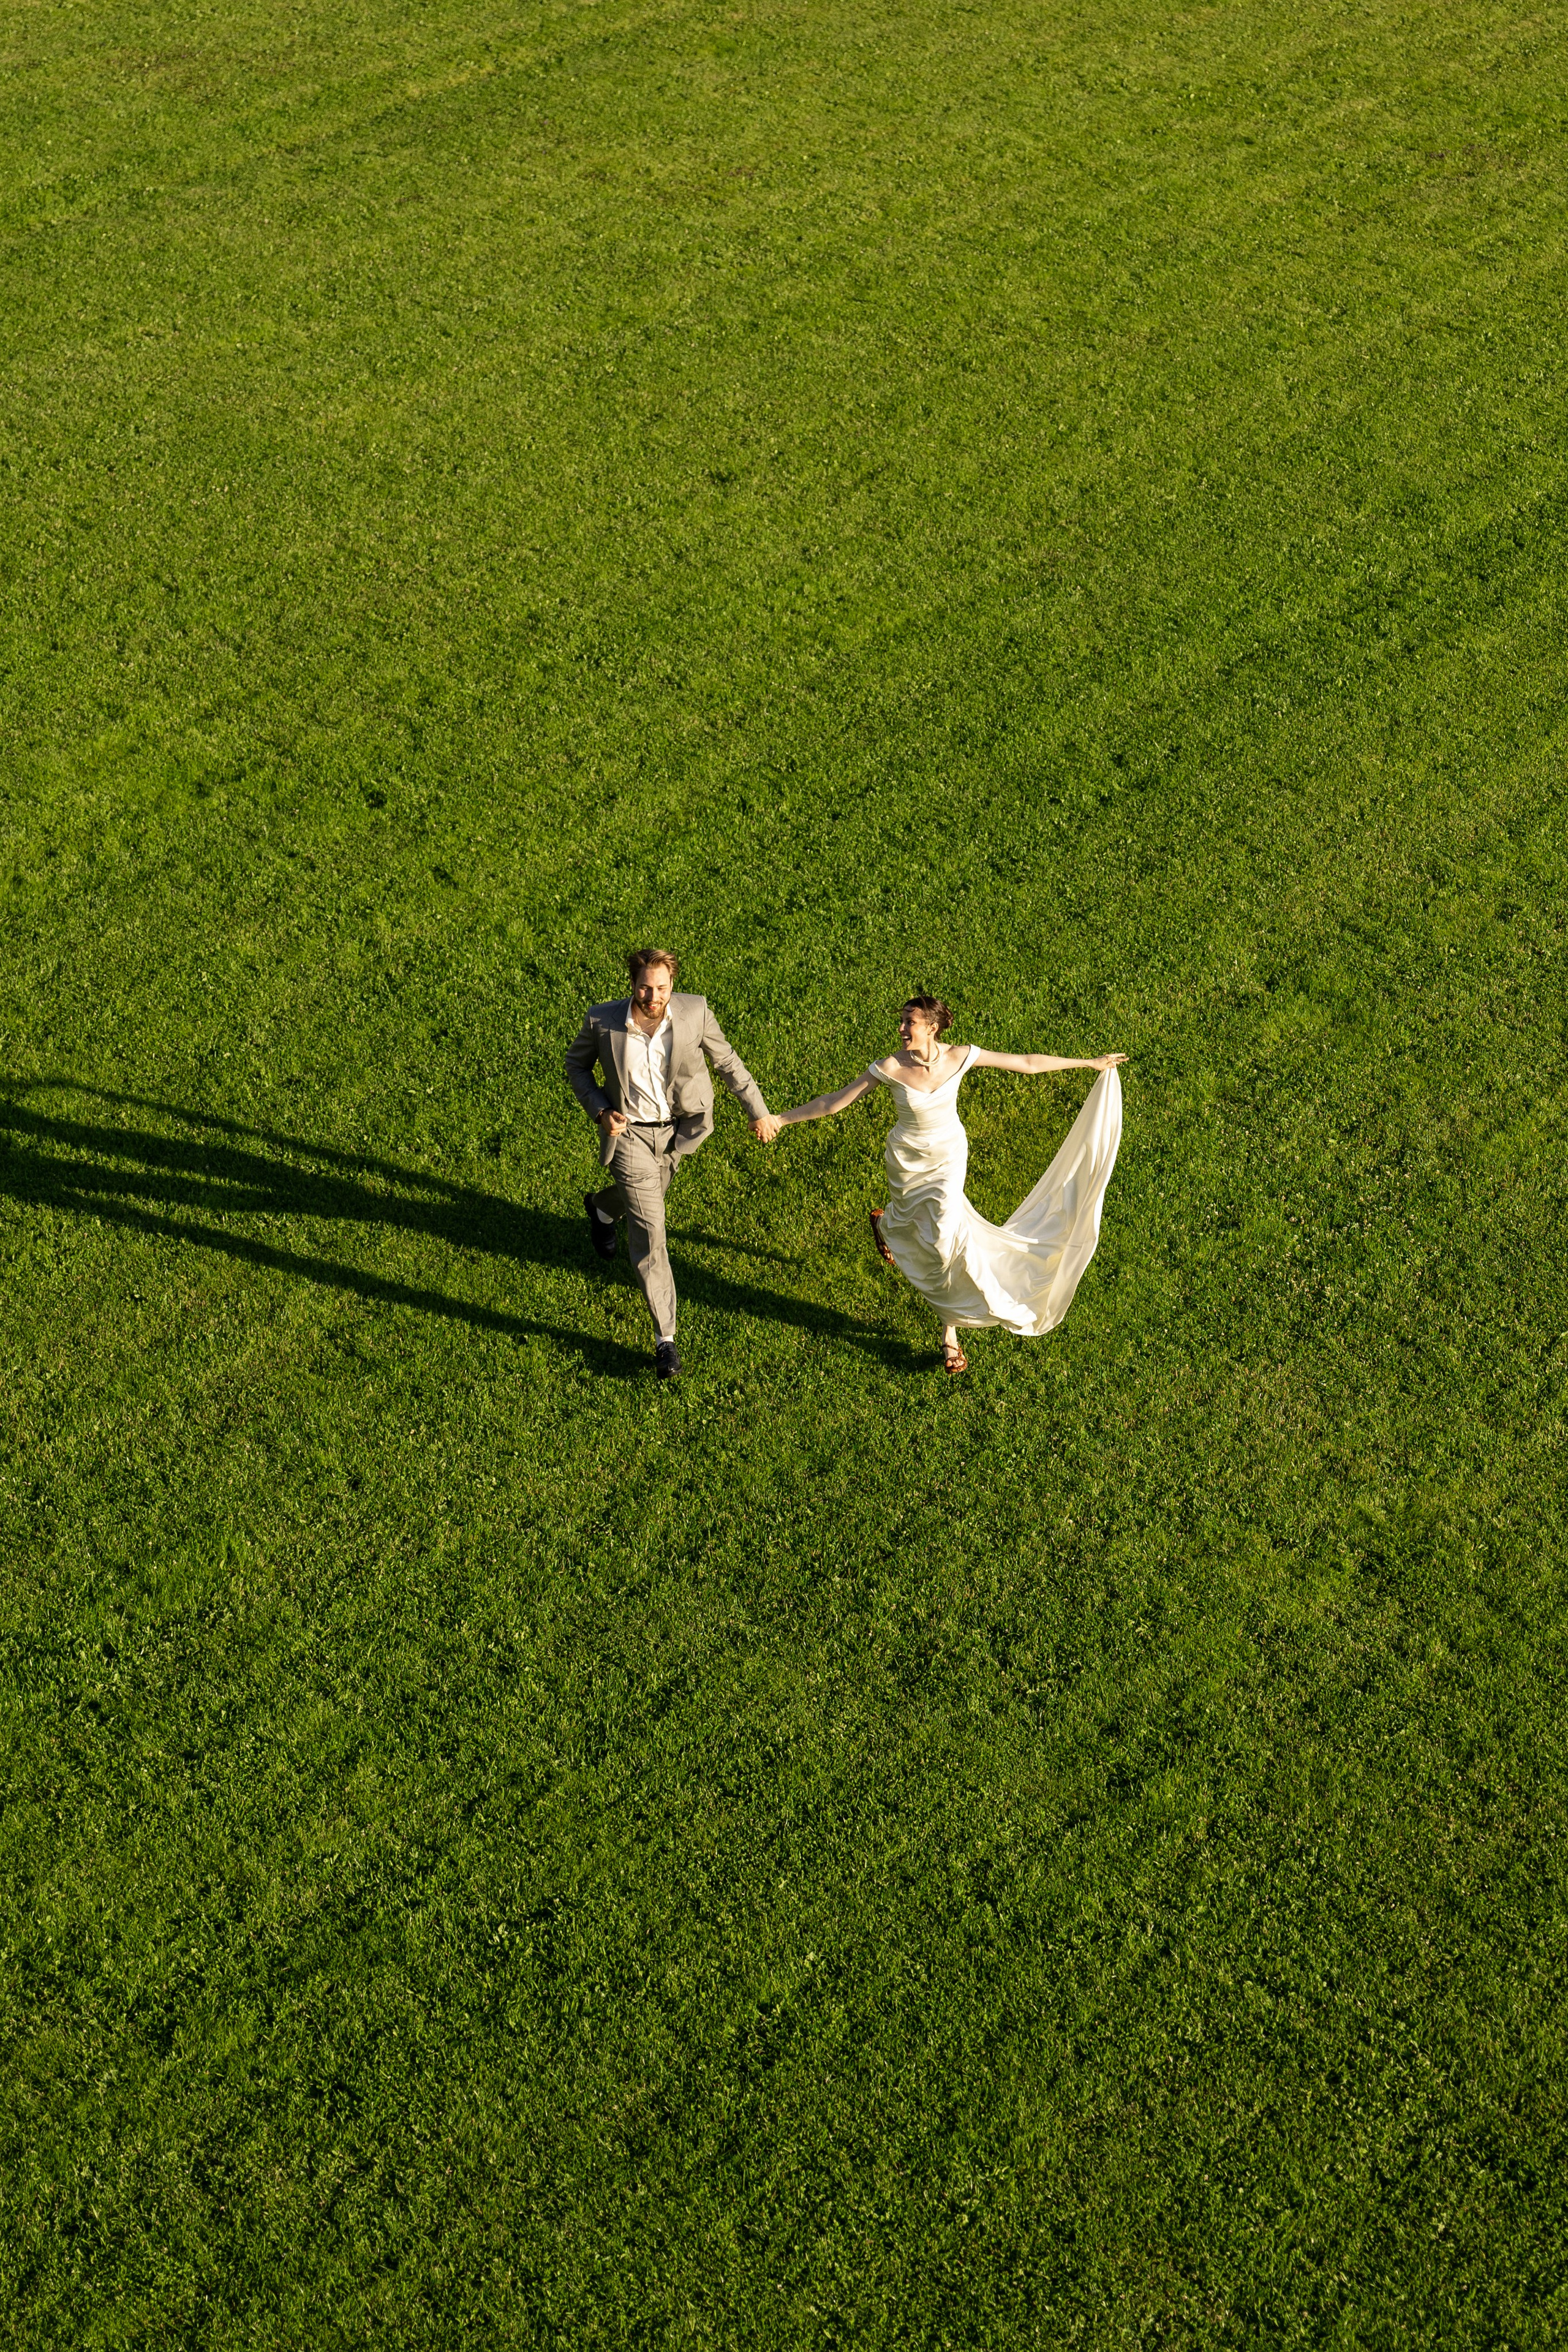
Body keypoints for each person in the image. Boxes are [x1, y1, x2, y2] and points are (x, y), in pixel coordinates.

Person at [756, 995, 1125, 1373]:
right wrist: (780, 1120)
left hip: (948, 1157)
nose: (901, 1030)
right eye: (901, 1022)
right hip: (907, 1161)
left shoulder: (960, 1056)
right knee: (929, 1234)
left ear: (931, 1028)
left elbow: (1027, 1064)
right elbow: (835, 1102)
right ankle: (889, 1225)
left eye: (909, 1023)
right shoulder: (890, 1067)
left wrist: (1089, 1063)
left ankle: (949, 1335)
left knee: (944, 1240)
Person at [565, 948, 771, 1379]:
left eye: (661, 987)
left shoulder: (694, 1012)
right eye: (644, 986)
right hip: (629, 1135)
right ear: (631, 983)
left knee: (645, 1203)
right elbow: (576, 1067)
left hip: (680, 1132)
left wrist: (758, 1110)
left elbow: (727, 1062)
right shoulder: (603, 1020)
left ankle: (602, 1210)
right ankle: (666, 1340)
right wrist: (602, 1112)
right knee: (651, 1231)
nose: (653, 995)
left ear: (672, 985)